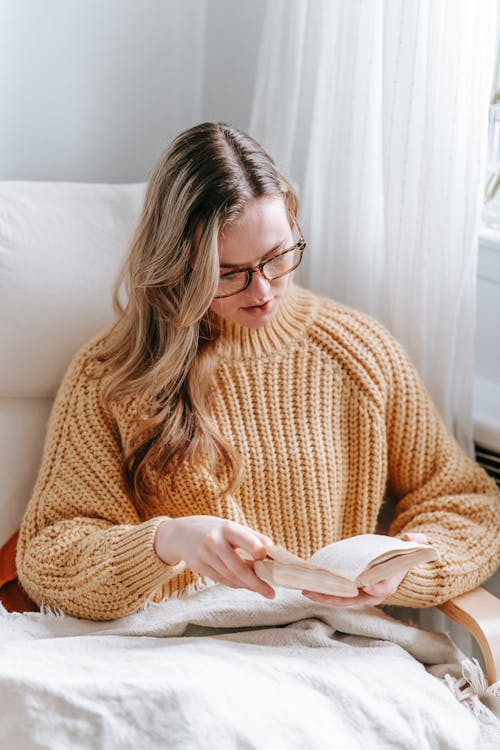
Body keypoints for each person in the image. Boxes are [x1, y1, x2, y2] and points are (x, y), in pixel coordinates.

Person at [16, 122, 500, 621]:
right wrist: (166, 542)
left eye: (277, 257)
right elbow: (52, 557)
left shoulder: (357, 354)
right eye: (228, 273)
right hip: (168, 654)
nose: (263, 289)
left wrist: (405, 568)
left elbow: (466, 501)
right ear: (178, 265)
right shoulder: (113, 374)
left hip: (321, 649)